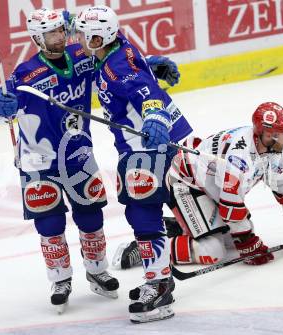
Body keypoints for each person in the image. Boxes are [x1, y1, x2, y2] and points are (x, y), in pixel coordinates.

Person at [0, 7, 179, 314]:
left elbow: (116, 62)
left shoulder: (82, 55)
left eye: (62, 30)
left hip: (79, 153)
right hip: (38, 160)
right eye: (51, 34)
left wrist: (149, 63)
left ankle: (97, 270)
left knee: (91, 216)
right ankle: (60, 279)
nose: (60, 37)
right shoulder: (26, 73)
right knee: (49, 222)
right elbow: (0, 111)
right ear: (38, 38)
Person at [74, 5, 193, 323]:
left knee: (141, 209)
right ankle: (161, 274)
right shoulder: (114, 50)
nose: (78, 40)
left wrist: (155, 116)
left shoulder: (115, 67)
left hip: (147, 143)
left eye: (84, 36)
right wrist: (149, 65)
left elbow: (145, 92)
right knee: (144, 207)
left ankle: (159, 287)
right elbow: (134, 68)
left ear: (99, 39)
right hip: (143, 143)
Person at [114, 102, 283, 270]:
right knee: (212, 252)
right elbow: (231, 204)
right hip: (185, 182)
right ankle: (145, 249)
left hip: (211, 188)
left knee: (231, 242)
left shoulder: (276, 150)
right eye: (282, 134)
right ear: (267, 134)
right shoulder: (239, 156)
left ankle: (178, 226)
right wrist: (246, 240)